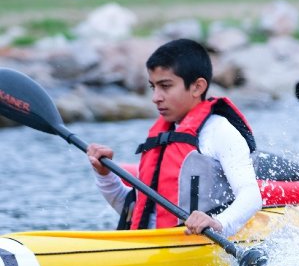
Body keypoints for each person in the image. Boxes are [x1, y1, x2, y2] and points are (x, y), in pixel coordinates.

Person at [86, 38, 263, 236]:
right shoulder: (163, 136)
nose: (155, 97)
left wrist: (218, 222)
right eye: (153, 87)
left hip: (201, 243)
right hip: (153, 245)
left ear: (197, 87)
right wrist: (105, 175)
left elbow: (251, 196)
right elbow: (135, 211)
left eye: (166, 86)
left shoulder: (220, 131)